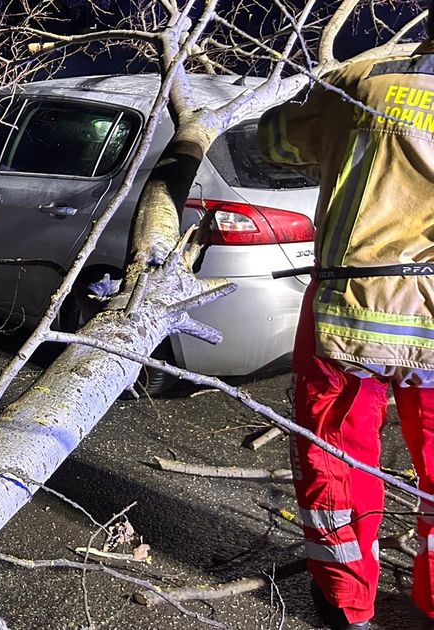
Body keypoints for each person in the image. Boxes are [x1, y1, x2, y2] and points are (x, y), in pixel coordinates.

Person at [259, 10, 434, 630]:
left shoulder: (364, 79)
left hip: (354, 313)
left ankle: (345, 607)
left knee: (335, 456)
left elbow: (274, 142)